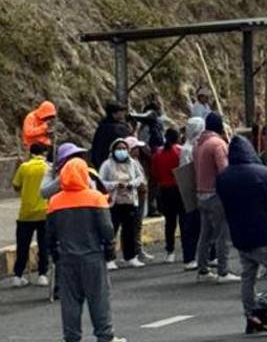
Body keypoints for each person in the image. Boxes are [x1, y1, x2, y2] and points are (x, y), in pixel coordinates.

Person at [46, 158, 126, 342]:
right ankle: (105, 335)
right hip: (92, 256)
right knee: (98, 298)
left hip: (67, 259)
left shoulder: (55, 202)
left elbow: (50, 234)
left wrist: (54, 253)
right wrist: (110, 250)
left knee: (70, 301)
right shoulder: (95, 198)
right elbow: (107, 229)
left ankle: (72, 337)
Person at [216, 136, 267, 335]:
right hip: (263, 232)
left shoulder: (223, 177)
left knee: (248, 275)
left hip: (240, 234)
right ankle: (262, 308)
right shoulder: (262, 174)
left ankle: (250, 317)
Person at [194, 112, 238, 282]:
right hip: (216, 195)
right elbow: (224, 171)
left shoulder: (199, 143)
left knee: (205, 234)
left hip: (201, 193)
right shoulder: (218, 144)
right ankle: (223, 271)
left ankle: (203, 269)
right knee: (222, 235)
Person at [8, 142, 51, 287]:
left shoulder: (24, 167)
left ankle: (18, 275)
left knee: (23, 245)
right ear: (44, 153)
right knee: (44, 244)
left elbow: (15, 185)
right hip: (44, 211)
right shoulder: (48, 168)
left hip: (25, 213)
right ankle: (42, 274)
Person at [99, 137, 146, 269]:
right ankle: (109, 258)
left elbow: (139, 177)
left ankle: (130, 257)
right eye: (119, 149)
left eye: (124, 149)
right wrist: (115, 185)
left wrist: (132, 184)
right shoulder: (107, 165)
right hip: (114, 202)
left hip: (129, 200)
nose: (122, 151)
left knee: (129, 230)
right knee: (111, 230)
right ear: (113, 150)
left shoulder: (132, 163)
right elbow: (101, 181)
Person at [152, 128, 184, 263]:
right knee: (184, 221)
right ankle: (186, 249)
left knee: (169, 223)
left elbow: (154, 174)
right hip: (179, 188)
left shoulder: (158, 154)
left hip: (164, 190)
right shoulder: (180, 151)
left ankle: (170, 251)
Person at [179, 117, 205, 270]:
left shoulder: (196, 146)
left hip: (199, 189)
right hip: (192, 191)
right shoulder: (187, 149)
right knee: (192, 225)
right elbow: (186, 172)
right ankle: (189, 257)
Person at [91, 102, 130, 168]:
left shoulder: (102, 126)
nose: (123, 114)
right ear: (113, 114)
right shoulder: (117, 128)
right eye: (120, 112)